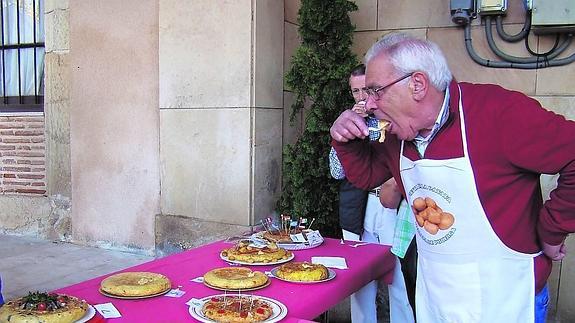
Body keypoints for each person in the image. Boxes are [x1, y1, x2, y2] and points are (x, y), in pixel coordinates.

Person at [330, 32, 575, 322]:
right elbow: (366, 175)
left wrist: (551, 229)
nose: (368, 104)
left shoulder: (497, 112)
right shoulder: (396, 133)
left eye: (375, 90)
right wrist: (345, 139)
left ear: (417, 84)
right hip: (437, 294)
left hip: (507, 295)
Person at [329, 64, 414, 323]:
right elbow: (336, 172)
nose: (361, 96)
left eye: (366, 89)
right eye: (355, 91)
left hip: (391, 206)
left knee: (398, 275)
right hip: (359, 209)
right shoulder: (349, 121)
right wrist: (348, 136)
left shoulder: (394, 116)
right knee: (360, 279)